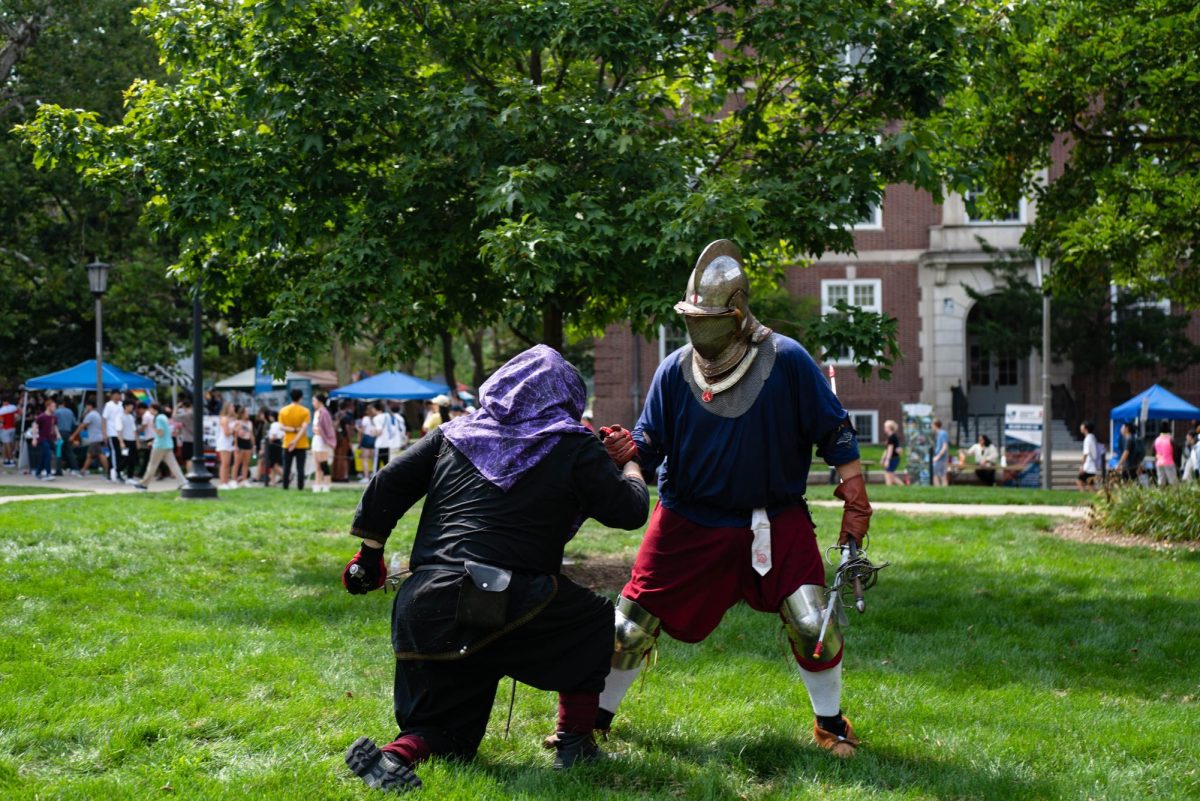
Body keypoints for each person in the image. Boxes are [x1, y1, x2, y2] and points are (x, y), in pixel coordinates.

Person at [592, 240, 873, 758]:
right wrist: (630, 450)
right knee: (627, 627)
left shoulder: (787, 359)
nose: (698, 325)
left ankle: (831, 725)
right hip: (686, 519)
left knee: (815, 621)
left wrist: (855, 496)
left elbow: (834, 431)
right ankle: (594, 721)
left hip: (776, 516)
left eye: (709, 316)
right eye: (692, 315)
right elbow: (651, 443)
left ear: (737, 313)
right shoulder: (674, 369)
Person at [341, 345, 650, 791]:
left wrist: (368, 558)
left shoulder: (452, 433)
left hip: (422, 605)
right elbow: (630, 511)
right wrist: (629, 463)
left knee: (451, 733)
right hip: (503, 600)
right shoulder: (572, 444)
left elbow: (387, 482)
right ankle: (575, 741)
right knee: (594, 621)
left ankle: (396, 754)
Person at [132, 402, 185, 489]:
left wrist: (154, 430)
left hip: (160, 445)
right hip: (168, 444)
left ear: (154, 409)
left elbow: (160, 433)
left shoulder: (158, 418)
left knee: (152, 464)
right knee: (173, 465)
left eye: (150, 409)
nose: (149, 411)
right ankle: (183, 482)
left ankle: (144, 484)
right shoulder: (164, 416)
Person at [279, 389, 311, 490]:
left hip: (287, 442)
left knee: (286, 467)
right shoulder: (305, 411)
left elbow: (281, 426)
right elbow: (303, 428)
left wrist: (291, 431)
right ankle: (300, 487)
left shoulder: (283, 410)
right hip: (301, 443)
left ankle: (285, 486)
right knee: (300, 467)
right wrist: (296, 437)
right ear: (301, 397)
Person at [70, 398, 109, 478]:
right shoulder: (97, 414)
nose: (86, 408)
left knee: (100, 455)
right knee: (91, 456)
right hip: (98, 438)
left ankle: (107, 472)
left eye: (86, 406)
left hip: (95, 439)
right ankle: (83, 471)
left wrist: (73, 435)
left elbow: (82, 426)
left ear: (89, 406)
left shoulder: (91, 415)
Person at [311, 393, 336, 493]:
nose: (313, 403)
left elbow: (328, 429)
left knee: (324, 464)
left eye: (314, 401)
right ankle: (317, 484)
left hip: (322, 441)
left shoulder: (324, 413)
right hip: (316, 440)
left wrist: (320, 432)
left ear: (319, 401)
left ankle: (326, 485)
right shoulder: (317, 412)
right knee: (317, 465)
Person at [31, 398, 58, 480]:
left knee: (44, 456)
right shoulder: (41, 417)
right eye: (53, 406)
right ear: (48, 406)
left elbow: (55, 427)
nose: (55, 408)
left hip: (50, 438)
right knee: (48, 455)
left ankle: (38, 472)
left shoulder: (54, 417)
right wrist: (34, 438)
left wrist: (58, 435)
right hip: (42, 439)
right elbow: (35, 426)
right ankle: (48, 473)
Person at [102, 390, 125, 482]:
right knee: (114, 453)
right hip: (112, 433)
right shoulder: (108, 405)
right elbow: (104, 419)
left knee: (120, 454)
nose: (117, 396)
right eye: (116, 395)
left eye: (119, 395)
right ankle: (116, 472)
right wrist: (104, 433)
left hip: (121, 433)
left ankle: (112, 471)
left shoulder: (121, 405)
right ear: (112, 395)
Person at [334, 399, 358, 482]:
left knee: (337, 457)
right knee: (344, 458)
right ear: (347, 406)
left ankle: (336, 475)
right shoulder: (347, 416)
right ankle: (343, 476)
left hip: (337, 438)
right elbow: (348, 429)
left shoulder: (336, 415)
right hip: (344, 439)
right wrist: (350, 440)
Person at [216, 401, 238, 489]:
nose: (233, 409)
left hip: (229, 442)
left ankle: (226, 481)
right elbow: (226, 432)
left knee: (228, 463)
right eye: (232, 407)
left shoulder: (230, 419)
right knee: (224, 463)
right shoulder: (224, 419)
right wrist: (234, 429)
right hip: (224, 442)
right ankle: (222, 482)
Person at [358, 402, 380, 482]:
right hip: (374, 439)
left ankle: (366, 477)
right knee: (373, 459)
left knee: (365, 459)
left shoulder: (365, 419)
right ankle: (372, 474)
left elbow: (362, 431)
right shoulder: (377, 418)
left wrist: (357, 429)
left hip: (366, 439)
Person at [1076, 421, 1100, 490]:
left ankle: (1084, 497)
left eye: (1082, 426)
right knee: (1090, 485)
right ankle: (1089, 497)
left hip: (1088, 466)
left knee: (1080, 482)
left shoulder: (1088, 439)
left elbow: (1085, 454)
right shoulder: (1092, 437)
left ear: (1085, 428)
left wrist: (1082, 466)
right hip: (1091, 466)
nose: (1080, 427)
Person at [234, 406, 254, 486]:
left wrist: (253, 444)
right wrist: (235, 445)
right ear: (242, 413)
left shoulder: (249, 423)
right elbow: (235, 434)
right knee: (237, 462)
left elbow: (251, 434)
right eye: (246, 412)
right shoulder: (238, 422)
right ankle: (234, 480)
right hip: (240, 441)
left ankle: (244, 480)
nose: (248, 414)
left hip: (247, 441)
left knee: (246, 462)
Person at [120, 399, 139, 482]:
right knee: (125, 458)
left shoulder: (131, 417)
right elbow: (119, 430)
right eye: (131, 406)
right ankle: (117, 470)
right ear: (126, 406)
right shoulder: (120, 417)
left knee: (132, 459)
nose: (132, 408)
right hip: (125, 440)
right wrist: (121, 441)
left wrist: (137, 441)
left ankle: (130, 477)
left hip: (132, 441)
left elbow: (134, 430)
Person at [175, 399, 195, 473]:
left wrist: (176, 407)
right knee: (193, 458)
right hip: (196, 439)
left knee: (189, 458)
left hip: (188, 439)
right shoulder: (195, 413)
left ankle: (190, 474)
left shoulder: (186, 415)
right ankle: (194, 472)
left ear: (184, 407)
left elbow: (174, 417)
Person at [881, 419, 903, 486]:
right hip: (892, 458)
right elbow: (886, 450)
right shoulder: (890, 437)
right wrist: (882, 459)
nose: (884, 428)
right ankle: (891, 487)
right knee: (889, 474)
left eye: (885, 427)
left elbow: (890, 450)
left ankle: (901, 486)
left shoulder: (892, 437)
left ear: (889, 428)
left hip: (894, 458)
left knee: (889, 474)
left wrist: (887, 460)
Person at [931, 418, 950, 487]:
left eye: (932, 425)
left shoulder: (942, 433)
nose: (931, 427)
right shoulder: (939, 434)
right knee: (942, 475)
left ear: (935, 425)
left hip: (941, 458)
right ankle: (943, 490)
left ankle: (937, 489)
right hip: (940, 457)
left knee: (934, 474)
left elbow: (945, 446)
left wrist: (938, 456)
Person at [0, 397, 17, 465]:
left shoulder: (2, 410)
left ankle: (10, 460)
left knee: (7, 445)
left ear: (4, 402)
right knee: (9, 444)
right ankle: (6, 459)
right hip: (12, 428)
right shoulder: (13, 407)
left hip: (5, 429)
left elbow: (1, 421)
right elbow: (17, 415)